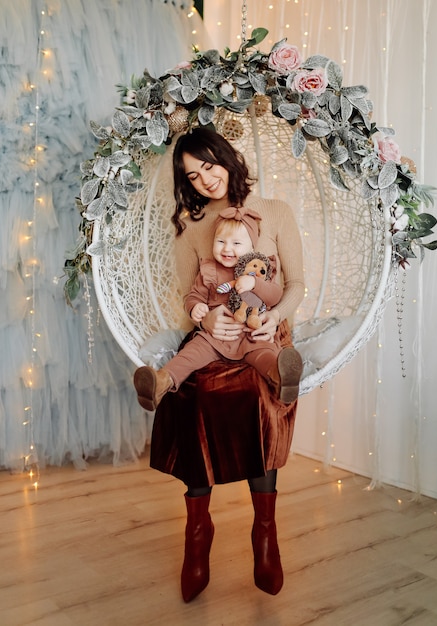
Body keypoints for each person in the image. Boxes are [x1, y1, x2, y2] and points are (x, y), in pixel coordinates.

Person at [134, 126, 305, 602]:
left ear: (226, 158)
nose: (206, 178)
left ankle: (265, 533)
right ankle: (197, 532)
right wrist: (206, 317)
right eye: (193, 173)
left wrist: (272, 318)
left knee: (256, 392)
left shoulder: (274, 212)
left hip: (263, 329)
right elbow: (186, 295)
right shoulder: (192, 228)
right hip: (214, 329)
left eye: (209, 164)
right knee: (195, 392)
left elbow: (297, 284)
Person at [133, 205, 303, 411]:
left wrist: (255, 285)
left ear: (252, 248)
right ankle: (161, 382)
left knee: (266, 353)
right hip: (215, 337)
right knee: (191, 353)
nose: (226, 249)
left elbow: (275, 295)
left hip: (252, 333)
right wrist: (195, 308)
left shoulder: (260, 270)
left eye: (236, 243)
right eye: (220, 241)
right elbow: (194, 294)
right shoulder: (210, 270)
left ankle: (280, 377)